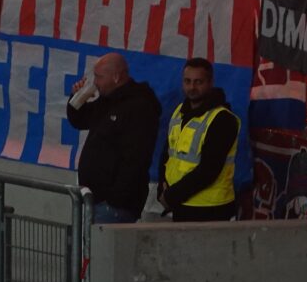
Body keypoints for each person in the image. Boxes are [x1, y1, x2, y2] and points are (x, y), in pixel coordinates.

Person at [64, 52, 162, 224]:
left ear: (116, 77)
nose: (95, 82)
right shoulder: (107, 100)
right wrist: (77, 98)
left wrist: (115, 198)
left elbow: (136, 158)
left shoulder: (139, 107)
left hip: (114, 205)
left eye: (99, 77)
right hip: (93, 199)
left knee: (99, 250)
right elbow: (80, 120)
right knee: (83, 249)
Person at [157, 58, 241, 222]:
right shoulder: (179, 112)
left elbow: (209, 170)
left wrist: (171, 196)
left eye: (198, 82)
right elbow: (168, 154)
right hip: (181, 204)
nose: (192, 87)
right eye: (187, 81)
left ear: (210, 82)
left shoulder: (222, 119)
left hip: (210, 208)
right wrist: (162, 188)